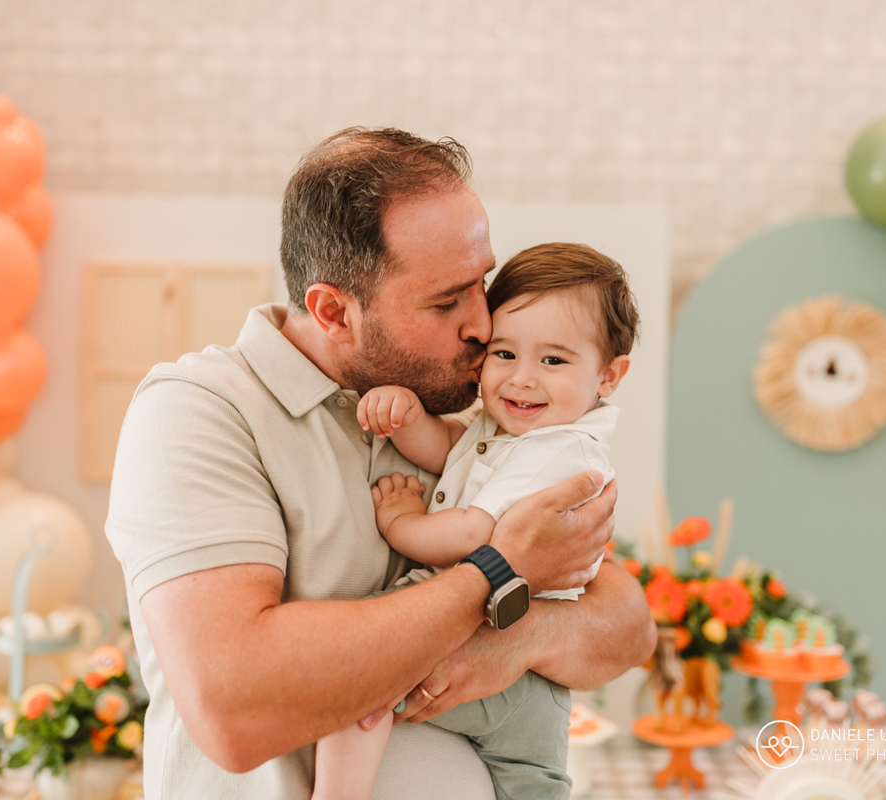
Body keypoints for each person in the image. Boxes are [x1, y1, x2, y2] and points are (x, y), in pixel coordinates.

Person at [105, 127, 657, 800]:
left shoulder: (457, 416)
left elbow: (628, 626)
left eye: (480, 283)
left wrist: (522, 637)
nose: (485, 324)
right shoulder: (200, 412)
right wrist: (495, 576)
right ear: (334, 311)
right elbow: (233, 708)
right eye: (446, 299)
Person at [313, 242, 639, 800]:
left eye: (553, 360)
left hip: (496, 641)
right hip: (522, 669)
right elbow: (451, 451)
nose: (522, 379)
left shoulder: (563, 453)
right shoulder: (517, 431)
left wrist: (401, 521)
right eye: (505, 354)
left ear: (609, 376)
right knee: (533, 786)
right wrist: (408, 414)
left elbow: (473, 535)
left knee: (358, 677)